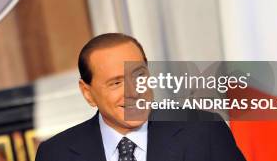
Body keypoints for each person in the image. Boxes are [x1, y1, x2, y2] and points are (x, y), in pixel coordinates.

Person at [35, 33, 245, 161]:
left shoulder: (204, 131)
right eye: (116, 83)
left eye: (139, 75)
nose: (134, 92)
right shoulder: (56, 154)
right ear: (88, 93)